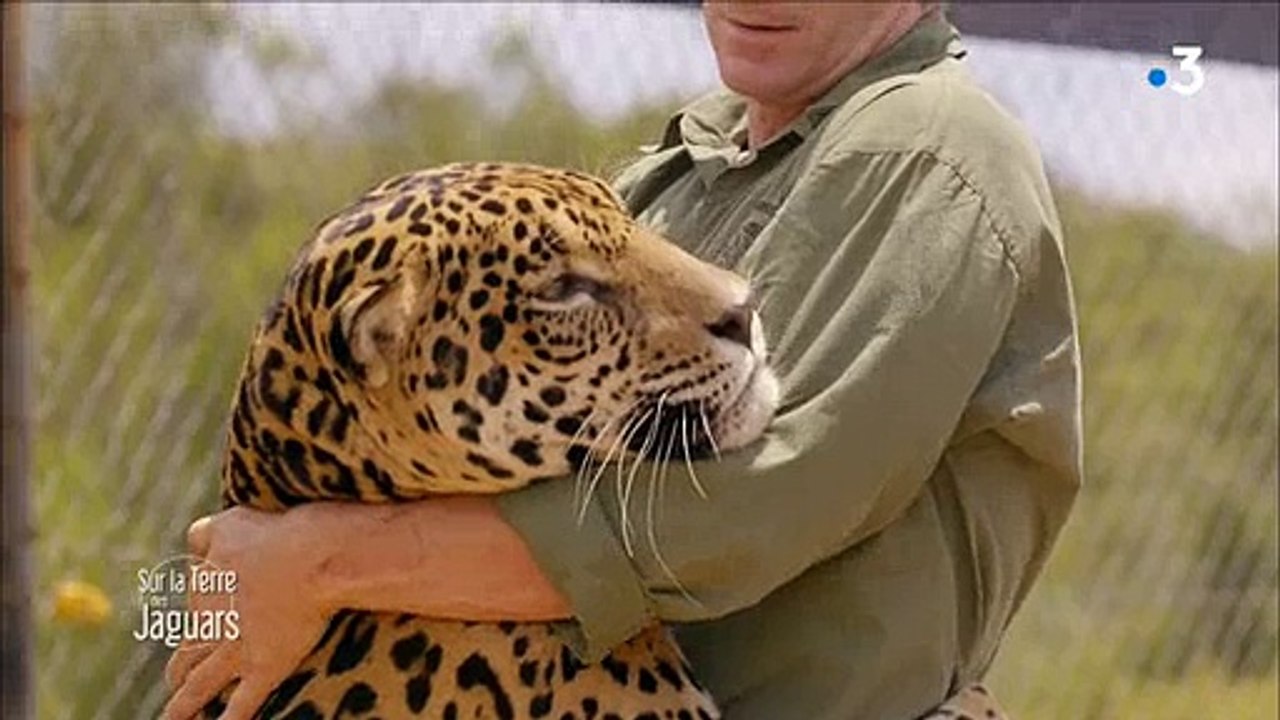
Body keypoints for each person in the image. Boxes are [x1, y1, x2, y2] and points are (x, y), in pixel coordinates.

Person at [164, 2, 1083, 719]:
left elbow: (761, 497)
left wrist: (319, 563)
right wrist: (230, 580)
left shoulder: (926, 138)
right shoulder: (691, 155)